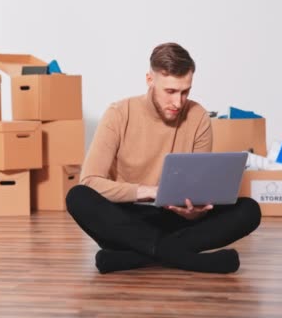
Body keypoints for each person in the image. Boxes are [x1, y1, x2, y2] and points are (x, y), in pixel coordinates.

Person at [66, 42, 261, 274]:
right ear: (150, 80)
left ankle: (131, 258)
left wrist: (194, 212)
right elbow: (90, 181)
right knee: (77, 197)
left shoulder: (198, 116)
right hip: (125, 219)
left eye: (185, 91)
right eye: (170, 92)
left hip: (172, 220)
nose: (178, 102)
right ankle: (189, 258)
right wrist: (150, 191)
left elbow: (198, 192)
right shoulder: (118, 113)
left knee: (249, 210)